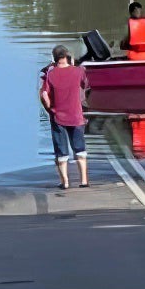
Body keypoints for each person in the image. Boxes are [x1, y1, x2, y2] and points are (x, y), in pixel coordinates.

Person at [39, 45, 91, 190]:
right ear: (68, 56)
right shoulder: (79, 71)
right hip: (76, 116)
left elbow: (44, 95)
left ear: (54, 58)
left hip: (58, 117)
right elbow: (85, 85)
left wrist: (49, 107)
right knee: (80, 149)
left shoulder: (50, 74)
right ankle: (84, 181)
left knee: (61, 152)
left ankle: (65, 182)